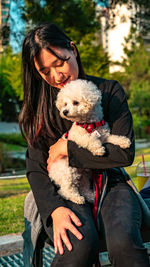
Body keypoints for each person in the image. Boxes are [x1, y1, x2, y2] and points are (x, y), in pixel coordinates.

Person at [19, 22, 150, 267]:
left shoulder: (109, 91)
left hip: (112, 184)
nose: (56, 76)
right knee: (78, 244)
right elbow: (36, 168)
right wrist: (54, 210)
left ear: (73, 49)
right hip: (65, 189)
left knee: (123, 241)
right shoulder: (40, 109)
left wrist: (67, 149)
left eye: (59, 63)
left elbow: (123, 154)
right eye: (45, 71)